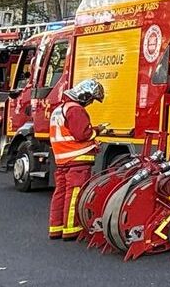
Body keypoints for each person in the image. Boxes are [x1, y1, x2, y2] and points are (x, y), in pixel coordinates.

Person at [49, 79, 106, 240]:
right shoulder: (75, 110)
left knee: (60, 194)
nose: (90, 103)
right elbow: (82, 134)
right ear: (85, 95)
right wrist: (97, 131)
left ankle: (56, 227)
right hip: (77, 160)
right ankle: (71, 230)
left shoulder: (59, 110)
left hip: (63, 160)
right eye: (91, 99)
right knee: (74, 195)